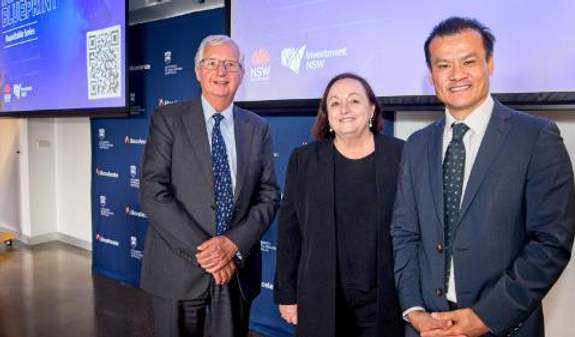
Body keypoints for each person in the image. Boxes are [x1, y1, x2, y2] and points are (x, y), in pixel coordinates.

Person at [391, 17, 575, 337]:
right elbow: (404, 233)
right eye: (443, 65)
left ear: (489, 64)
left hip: (503, 326)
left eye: (469, 61)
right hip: (427, 327)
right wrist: (415, 311)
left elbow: (551, 242)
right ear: (432, 76)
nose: (456, 74)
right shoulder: (417, 145)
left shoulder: (536, 137)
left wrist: (487, 316)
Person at [140, 35, 280, 337]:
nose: (221, 72)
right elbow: (153, 191)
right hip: (176, 270)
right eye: (212, 63)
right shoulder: (168, 119)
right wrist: (209, 254)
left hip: (235, 272)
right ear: (197, 71)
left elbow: (268, 196)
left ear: (241, 74)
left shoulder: (258, 128)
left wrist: (231, 245)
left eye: (230, 65)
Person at [274, 73, 405, 337]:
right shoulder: (305, 160)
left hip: (385, 299)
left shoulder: (401, 155)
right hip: (322, 297)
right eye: (334, 103)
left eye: (354, 101)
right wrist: (287, 293)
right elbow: (290, 232)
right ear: (327, 115)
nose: (344, 109)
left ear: (371, 109)